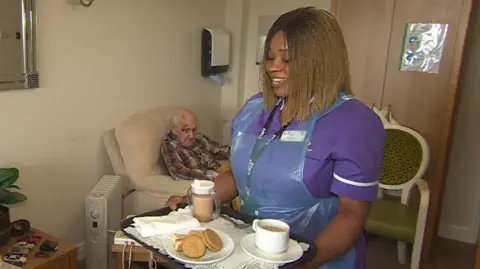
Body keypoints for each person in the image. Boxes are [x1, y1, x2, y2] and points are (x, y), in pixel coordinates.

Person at [166, 7, 385, 269]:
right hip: (252, 251)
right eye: (269, 57)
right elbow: (241, 174)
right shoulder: (254, 109)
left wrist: (303, 263)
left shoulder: (353, 122)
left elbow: (351, 215)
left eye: (287, 59)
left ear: (320, 61)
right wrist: (195, 203)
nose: (273, 67)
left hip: (318, 260)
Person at [160, 109, 231, 181]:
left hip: (222, 173)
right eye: (186, 130)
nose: (191, 136)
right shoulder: (169, 145)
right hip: (208, 182)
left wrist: (238, 152)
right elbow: (179, 172)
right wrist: (210, 174)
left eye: (194, 129)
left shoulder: (199, 138)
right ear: (174, 129)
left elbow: (221, 151)